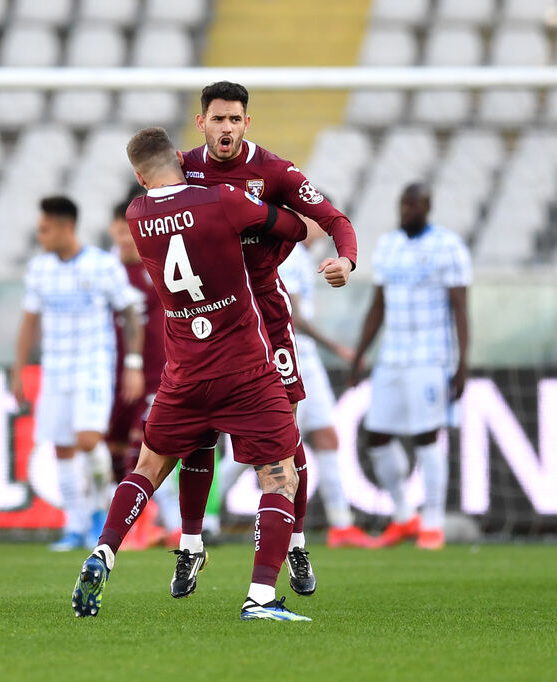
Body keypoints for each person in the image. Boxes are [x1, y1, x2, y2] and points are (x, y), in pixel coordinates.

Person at [71, 126, 312, 622]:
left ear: (140, 177)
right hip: (243, 367)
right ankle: (261, 599)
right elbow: (294, 227)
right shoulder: (221, 200)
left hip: (182, 372)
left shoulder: (137, 216)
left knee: (146, 468)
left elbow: (175, 218)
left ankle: (103, 553)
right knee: (279, 475)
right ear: (180, 160)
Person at [171, 80, 358, 599]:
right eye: (218, 119)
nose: (226, 128)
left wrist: (345, 258)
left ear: (246, 123)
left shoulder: (272, 170)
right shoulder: (182, 168)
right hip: (205, 322)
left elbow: (333, 218)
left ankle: (294, 543)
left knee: (286, 440)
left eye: (235, 120)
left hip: (266, 321)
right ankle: (190, 545)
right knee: (198, 435)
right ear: (201, 121)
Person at [11, 196, 145, 552]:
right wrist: (18, 369)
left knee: (88, 440)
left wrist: (132, 364)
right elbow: (29, 322)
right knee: (62, 447)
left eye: (45, 229)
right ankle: (75, 525)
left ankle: (100, 514)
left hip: (92, 366)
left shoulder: (102, 265)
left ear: (65, 227)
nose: (40, 236)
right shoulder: (39, 268)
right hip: (55, 369)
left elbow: (131, 313)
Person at [350, 183, 472, 551]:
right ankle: (404, 515)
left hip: (431, 356)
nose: (407, 210)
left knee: (425, 435)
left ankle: (432, 524)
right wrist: (359, 355)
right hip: (392, 356)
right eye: (403, 204)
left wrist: (463, 361)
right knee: (377, 436)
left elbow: (460, 307)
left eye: (414, 204)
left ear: (427, 207)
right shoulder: (388, 245)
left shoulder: (448, 246)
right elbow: (378, 304)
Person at [277, 220, 374, 547]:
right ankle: (211, 520)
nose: (322, 225)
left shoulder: (303, 256)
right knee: (274, 441)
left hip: (307, 354)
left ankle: (341, 524)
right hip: (291, 354)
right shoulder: (288, 254)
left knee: (326, 434)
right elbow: (291, 315)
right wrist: (338, 348)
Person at [105, 196, 182, 550]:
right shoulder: (106, 270)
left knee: (145, 448)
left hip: (155, 372)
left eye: (130, 231)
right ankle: (121, 521)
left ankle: (156, 524)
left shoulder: (162, 264)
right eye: (120, 231)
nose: (125, 239)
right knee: (114, 448)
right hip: (111, 375)